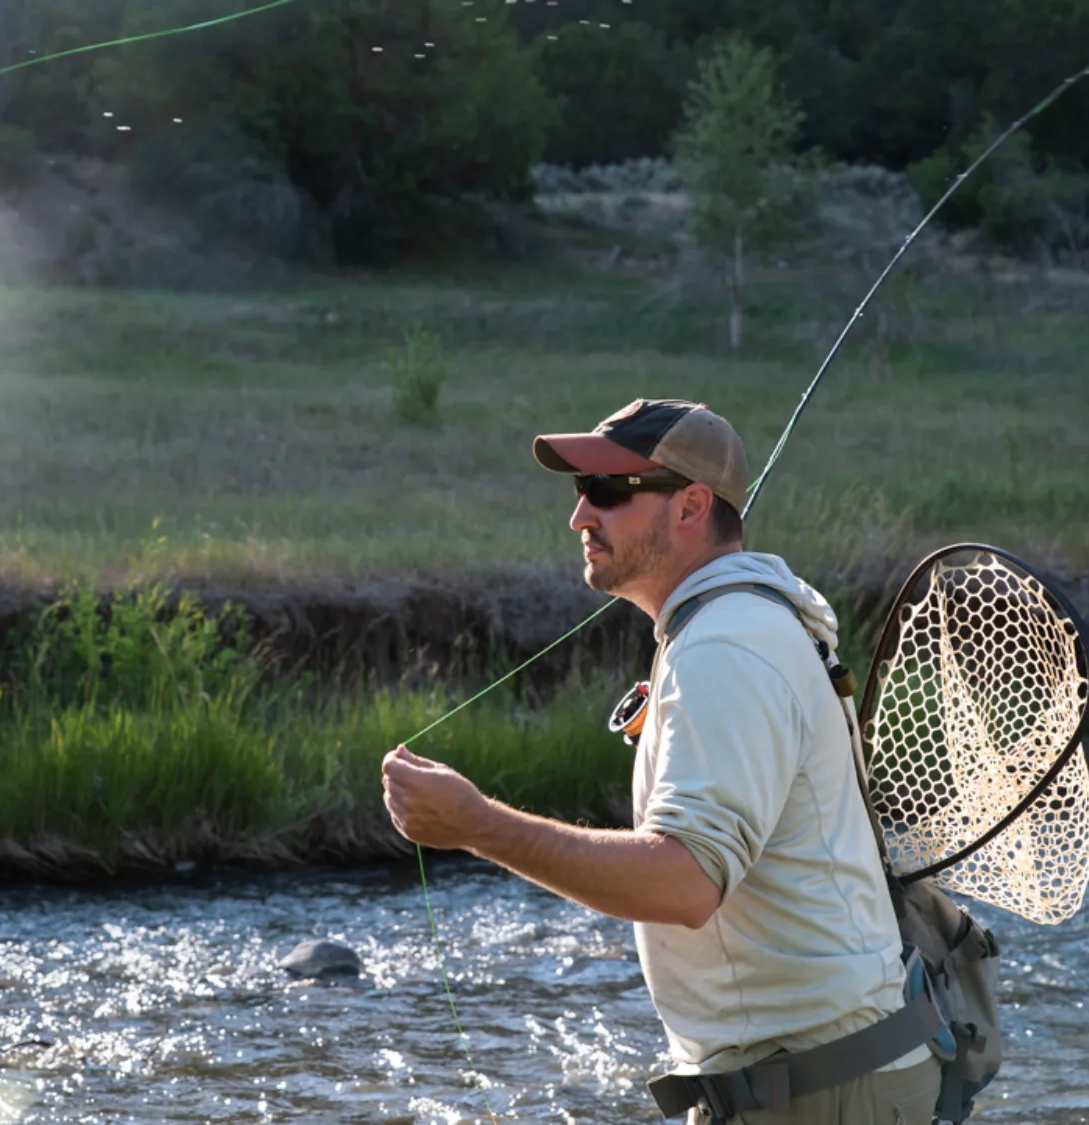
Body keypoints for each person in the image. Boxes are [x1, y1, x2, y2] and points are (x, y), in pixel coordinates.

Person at [380, 398, 942, 1124]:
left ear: (691, 506)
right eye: (580, 491)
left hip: (820, 1095)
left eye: (609, 492)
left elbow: (684, 882)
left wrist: (478, 825)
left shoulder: (728, 646)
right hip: (817, 1084)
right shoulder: (737, 628)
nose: (580, 517)